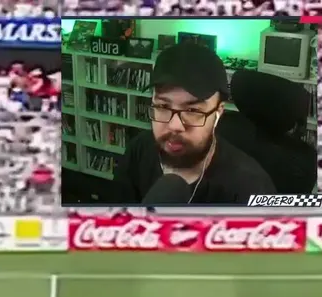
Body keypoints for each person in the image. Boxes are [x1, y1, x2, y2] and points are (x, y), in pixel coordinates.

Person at [111, 42, 274, 205]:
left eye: (193, 110)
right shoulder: (139, 150)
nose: (174, 125)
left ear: (218, 112)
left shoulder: (251, 186)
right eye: (163, 106)